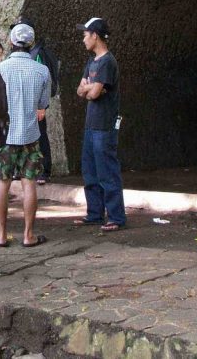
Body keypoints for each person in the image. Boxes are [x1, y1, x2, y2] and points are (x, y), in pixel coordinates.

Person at [0, 23, 50, 248]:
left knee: (2, 183)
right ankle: (28, 235)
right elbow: (43, 104)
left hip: (6, 136)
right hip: (30, 135)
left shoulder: (0, 69)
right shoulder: (42, 71)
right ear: (32, 44)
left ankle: (0, 234)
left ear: (11, 42)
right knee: (29, 184)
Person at [73, 17, 125, 232]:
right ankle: (94, 213)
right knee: (90, 171)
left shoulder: (107, 62)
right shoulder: (91, 62)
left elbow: (93, 92)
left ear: (95, 35)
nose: (83, 39)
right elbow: (81, 90)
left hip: (105, 125)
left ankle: (116, 216)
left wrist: (91, 89)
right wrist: (90, 89)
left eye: (85, 34)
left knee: (107, 171)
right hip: (91, 125)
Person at [12, 16, 60, 185]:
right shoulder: (29, 54)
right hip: (26, 104)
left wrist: (42, 106)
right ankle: (23, 168)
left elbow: (43, 81)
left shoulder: (38, 54)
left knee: (39, 136)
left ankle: (44, 171)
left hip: (35, 105)